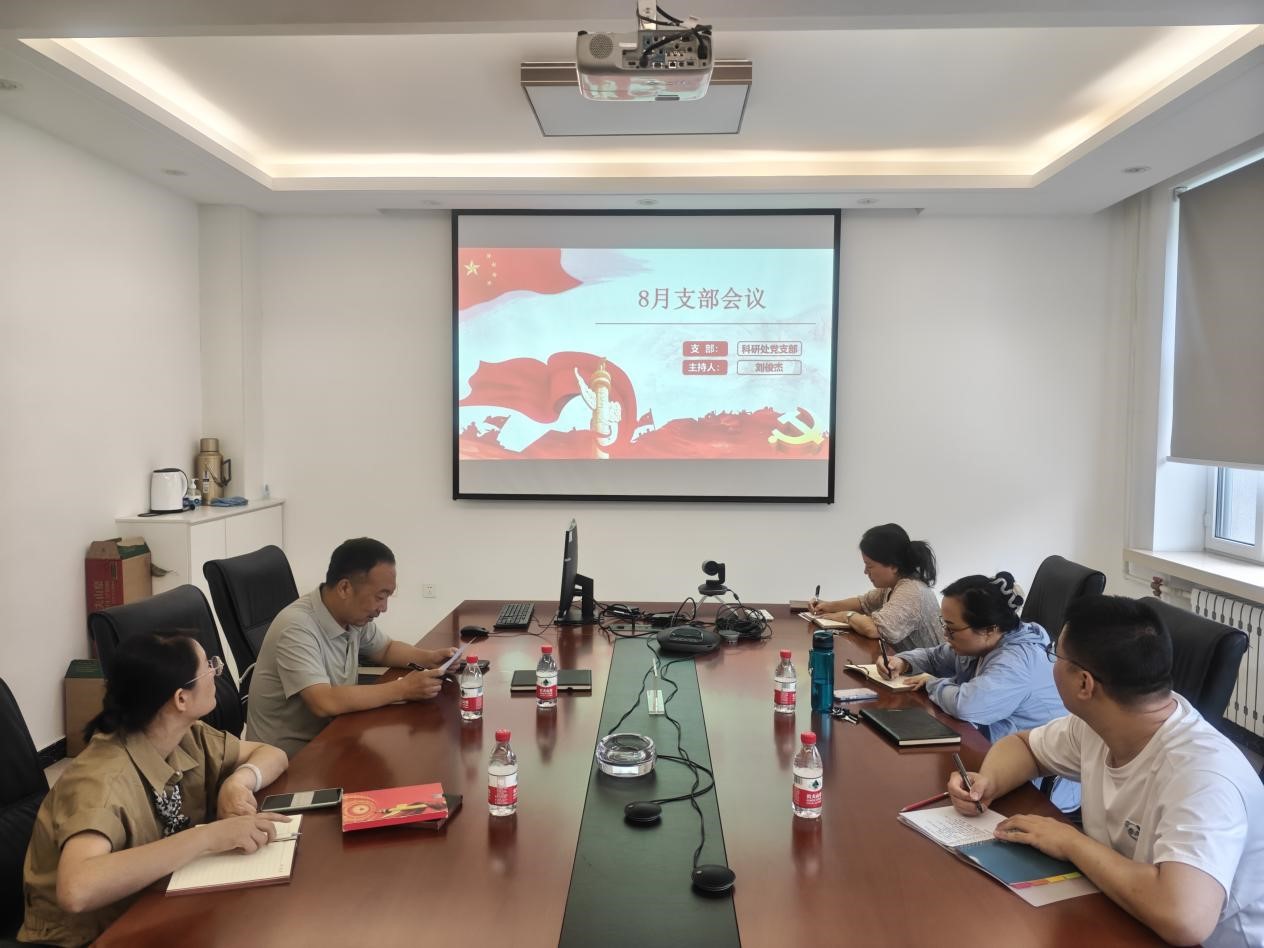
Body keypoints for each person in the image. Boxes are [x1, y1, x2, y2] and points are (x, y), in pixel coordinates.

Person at [947, 595, 1264, 947]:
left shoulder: (1203, 776)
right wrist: (988, 781)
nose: (1051, 665)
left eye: (1055, 655)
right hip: (1125, 911)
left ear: (1085, 684)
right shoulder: (1101, 724)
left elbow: (1184, 919)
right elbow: (1024, 747)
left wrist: (1071, 842)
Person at [19, 632, 289, 947]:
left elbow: (273, 755)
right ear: (181, 699)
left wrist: (238, 781)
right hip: (92, 936)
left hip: (158, 905)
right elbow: (76, 890)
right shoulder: (102, 781)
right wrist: (207, 837)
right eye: (208, 666)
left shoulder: (186, 736)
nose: (216, 671)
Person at [878, 572, 1079, 810]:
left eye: (951, 629)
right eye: (944, 624)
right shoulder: (984, 642)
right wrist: (903, 662)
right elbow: (936, 656)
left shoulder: (1016, 662)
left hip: (1038, 790)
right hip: (993, 754)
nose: (945, 635)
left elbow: (967, 705)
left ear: (989, 629)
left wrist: (932, 683)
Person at [246, 537, 457, 757]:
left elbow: (386, 649)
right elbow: (323, 701)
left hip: (333, 736)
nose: (384, 608)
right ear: (345, 588)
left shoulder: (351, 616)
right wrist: (403, 689)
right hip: (287, 760)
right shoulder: (296, 627)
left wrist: (431, 658)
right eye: (380, 596)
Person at [809, 522, 940, 651]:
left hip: (929, 666)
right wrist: (827, 606)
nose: (865, 571)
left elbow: (875, 629)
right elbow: (863, 603)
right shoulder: (893, 585)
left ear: (893, 565)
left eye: (870, 566)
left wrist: (846, 616)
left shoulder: (912, 591)